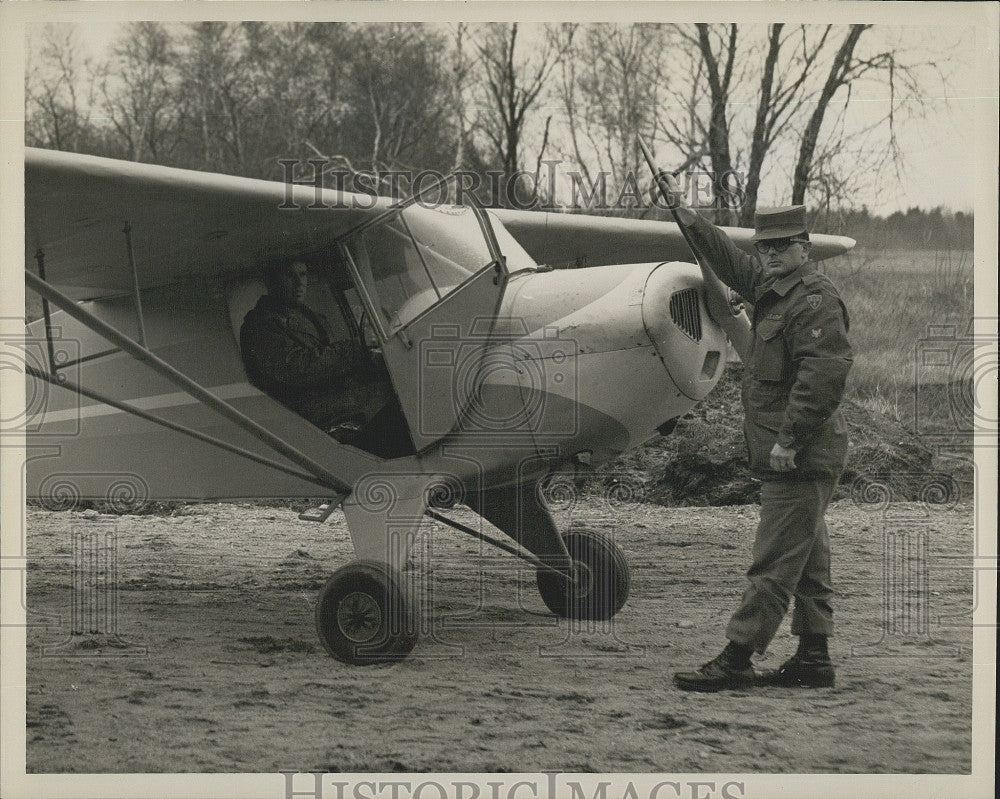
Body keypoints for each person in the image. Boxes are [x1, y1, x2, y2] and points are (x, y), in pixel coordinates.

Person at [662, 175, 853, 692]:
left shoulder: (813, 301)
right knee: (808, 556)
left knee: (771, 562)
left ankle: (738, 656)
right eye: (763, 246)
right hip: (791, 453)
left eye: (781, 245)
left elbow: (822, 379)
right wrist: (686, 214)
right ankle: (814, 658)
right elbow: (727, 258)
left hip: (798, 452)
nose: (768, 254)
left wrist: (789, 441)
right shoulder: (774, 288)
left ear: (804, 249)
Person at [240, 260, 412, 458]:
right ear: (272, 281)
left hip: (328, 402)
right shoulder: (260, 324)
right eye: (290, 276)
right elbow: (299, 368)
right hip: (309, 414)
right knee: (392, 399)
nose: (299, 283)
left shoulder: (305, 315)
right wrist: (355, 349)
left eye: (303, 275)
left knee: (393, 388)